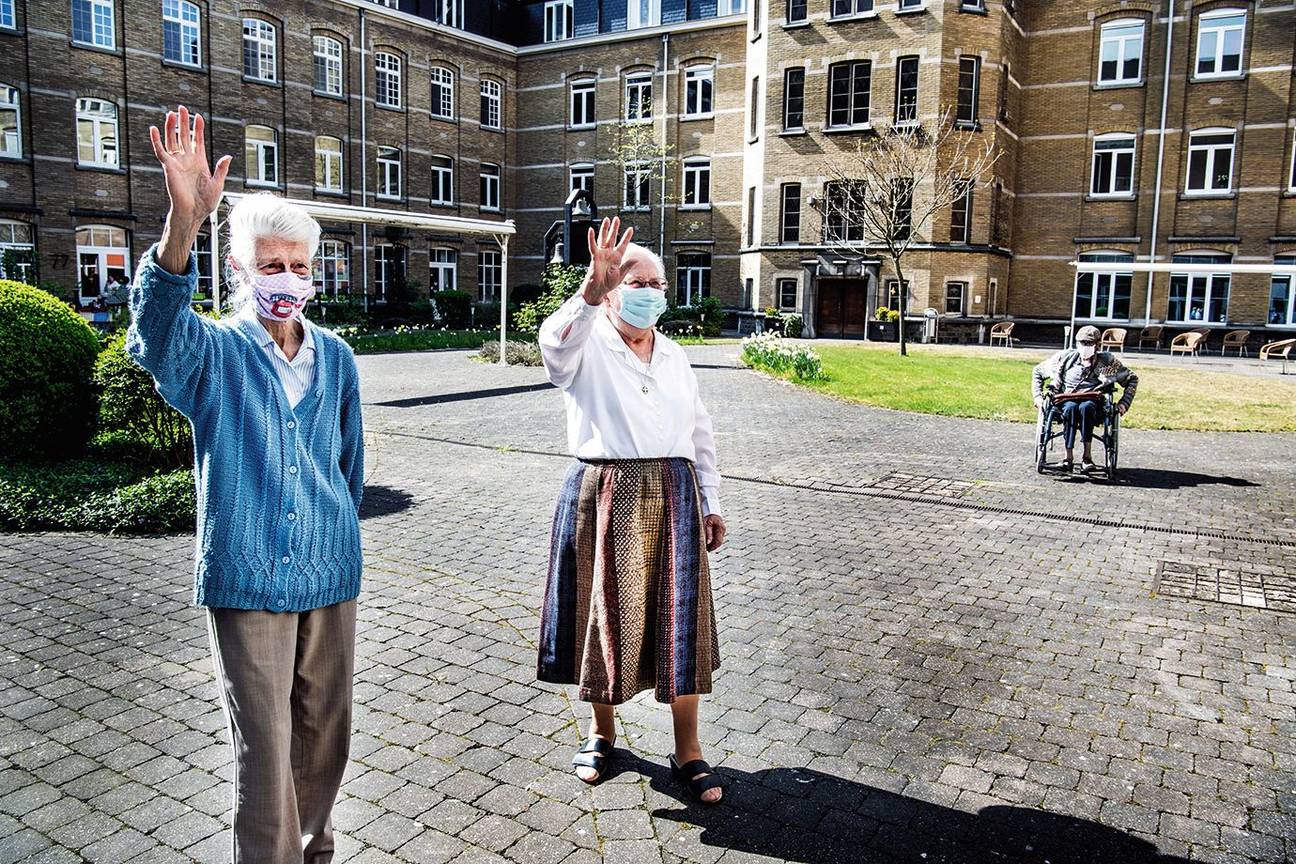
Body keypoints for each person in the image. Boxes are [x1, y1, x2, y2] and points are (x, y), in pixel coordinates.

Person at [127, 106, 364, 863]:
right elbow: (155, 337)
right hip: (246, 573)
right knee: (265, 749)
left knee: (327, 736)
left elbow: (347, 467)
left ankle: (314, 848)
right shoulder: (213, 353)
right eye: (269, 265)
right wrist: (183, 227)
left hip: (331, 572)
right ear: (238, 270)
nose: (286, 279)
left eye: (298, 266)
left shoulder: (337, 356)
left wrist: (332, 531)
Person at [536, 217, 727, 805]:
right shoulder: (585, 341)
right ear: (613, 288)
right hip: (606, 488)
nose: (651, 291)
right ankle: (601, 733)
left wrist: (711, 501)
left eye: (660, 282)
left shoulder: (673, 354)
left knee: (680, 617)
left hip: (674, 489)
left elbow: (699, 432)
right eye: (635, 279)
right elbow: (553, 345)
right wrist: (590, 290)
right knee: (604, 616)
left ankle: (688, 750)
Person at [1032, 324, 1138, 472]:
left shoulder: (1106, 361)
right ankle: (1067, 457)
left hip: (1093, 401)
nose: (1085, 346)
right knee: (1070, 408)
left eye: (1089, 343)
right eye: (1082, 343)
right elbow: (1037, 371)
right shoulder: (1065, 358)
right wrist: (1038, 397)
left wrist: (1124, 403)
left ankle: (1087, 458)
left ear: (1097, 345)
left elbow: (1132, 378)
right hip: (1066, 399)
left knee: (1086, 407)